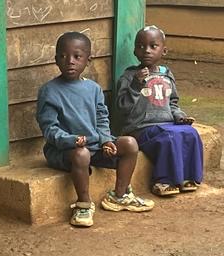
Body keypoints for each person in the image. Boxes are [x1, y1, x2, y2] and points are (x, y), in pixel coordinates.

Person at [36, 31, 153, 227]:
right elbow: (49, 128)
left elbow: (101, 119)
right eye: (63, 56)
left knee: (130, 144)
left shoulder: (94, 89)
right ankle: (83, 204)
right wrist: (71, 140)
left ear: (88, 60)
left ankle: (120, 195)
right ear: (56, 60)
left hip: (94, 146)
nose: (70, 61)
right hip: (64, 150)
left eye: (77, 56)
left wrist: (106, 140)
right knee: (81, 154)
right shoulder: (49, 91)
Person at [116, 26, 204, 198]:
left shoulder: (167, 74)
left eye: (153, 46)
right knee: (169, 137)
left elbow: (173, 102)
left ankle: (187, 177)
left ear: (164, 51)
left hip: (167, 124)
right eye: (141, 46)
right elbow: (122, 108)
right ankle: (163, 181)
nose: (146, 51)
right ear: (135, 51)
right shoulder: (129, 76)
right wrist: (136, 85)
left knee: (191, 133)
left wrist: (179, 116)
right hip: (141, 128)